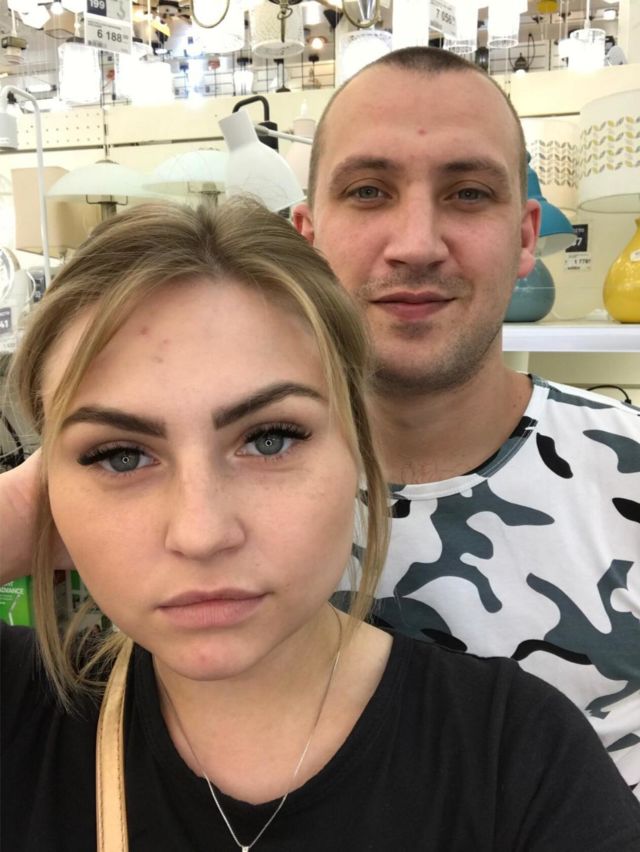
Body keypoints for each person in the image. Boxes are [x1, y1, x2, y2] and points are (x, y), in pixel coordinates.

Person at [2, 200, 639, 851]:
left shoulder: (517, 757)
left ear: (357, 447)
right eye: (119, 455)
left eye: (270, 439)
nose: (201, 532)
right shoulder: (24, 715)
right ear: (50, 485)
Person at [292, 45, 640, 797]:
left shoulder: (629, 471)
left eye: (470, 193)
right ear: (307, 239)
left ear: (526, 237)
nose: (417, 245)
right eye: (368, 191)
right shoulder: (224, 493)